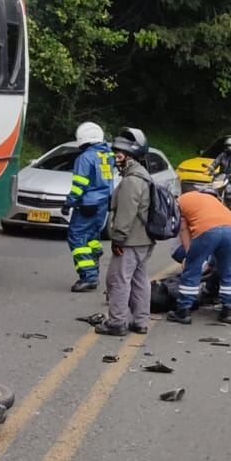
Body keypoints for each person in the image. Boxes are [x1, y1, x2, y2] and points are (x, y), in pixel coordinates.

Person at [97, 128, 155, 336]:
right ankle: (140, 321)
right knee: (140, 279)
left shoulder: (132, 180)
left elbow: (127, 213)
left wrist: (118, 239)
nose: (116, 157)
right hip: (144, 239)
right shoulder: (142, 175)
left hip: (131, 240)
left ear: (131, 157)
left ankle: (117, 322)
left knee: (118, 279)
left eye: (119, 154)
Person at [168, 186, 231, 325]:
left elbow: (183, 228)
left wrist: (189, 255)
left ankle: (183, 310)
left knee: (192, 269)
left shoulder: (181, 202)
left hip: (207, 229)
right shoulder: (212, 201)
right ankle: (228, 310)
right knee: (227, 270)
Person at [62, 122, 114, 292]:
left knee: (76, 237)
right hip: (102, 204)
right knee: (92, 235)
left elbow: (79, 185)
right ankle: (95, 257)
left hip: (87, 204)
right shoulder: (107, 155)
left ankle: (88, 276)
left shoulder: (85, 158)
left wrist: (69, 202)